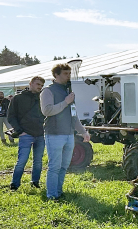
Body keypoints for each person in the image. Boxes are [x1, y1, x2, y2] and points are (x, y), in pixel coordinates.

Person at [40, 63, 91, 200]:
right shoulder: (47, 91)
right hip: (54, 134)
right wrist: (65, 102)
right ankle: (51, 195)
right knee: (54, 166)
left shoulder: (68, 91)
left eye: (69, 73)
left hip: (69, 134)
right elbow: (47, 110)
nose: (68, 76)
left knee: (64, 166)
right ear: (56, 75)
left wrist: (83, 131)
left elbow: (74, 115)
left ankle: (58, 192)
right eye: (65, 73)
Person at [9, 77, 47, 190]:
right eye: (38, 84)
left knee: (38, 161)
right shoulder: (18, 98)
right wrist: (20, 131)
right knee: (22, 160)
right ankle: (14, 184)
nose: (40, 87)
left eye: (41, 85)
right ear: (30, 83)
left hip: (40, 133)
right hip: (26, 133)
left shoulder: (43, 98)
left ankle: (35, 182)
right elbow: (11, 116)